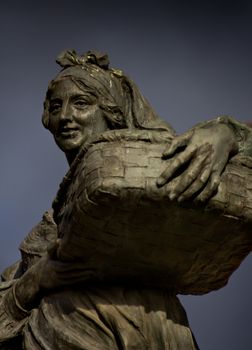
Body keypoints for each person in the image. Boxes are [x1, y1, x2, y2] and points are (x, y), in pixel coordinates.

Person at [0, 49, 251, 350]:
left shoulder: (163, 173)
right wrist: (36, 280)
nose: (65, 116)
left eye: (81, 103)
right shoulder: (41, 238)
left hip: (145, 329)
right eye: (56, 106)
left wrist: (228, 134)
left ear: (111, 111)